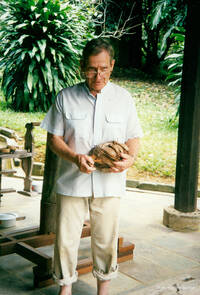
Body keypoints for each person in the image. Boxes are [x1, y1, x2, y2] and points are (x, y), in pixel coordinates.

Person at [41, 38, 143, 295]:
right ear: (82, 67)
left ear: (112, 66)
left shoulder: (124, 98)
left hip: (110, 182)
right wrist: (76, 157)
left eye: (104, 69)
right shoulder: (66, 97)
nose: (98, 76)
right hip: (72, 180)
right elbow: (54, 139)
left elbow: (134, 136)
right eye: (91, 69)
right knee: (65, 240)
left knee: (106, 239)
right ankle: (65, 289)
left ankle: (103, 289)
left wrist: (130, 159)